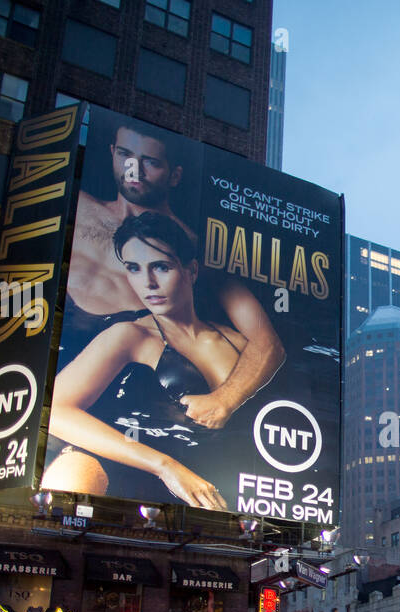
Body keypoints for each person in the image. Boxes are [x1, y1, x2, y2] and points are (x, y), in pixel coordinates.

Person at [43, 213, 284, 508]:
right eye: (134, 268)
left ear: (191, 271)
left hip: (220, 479)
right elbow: (55, 412)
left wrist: (227, 399)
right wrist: (166, 467)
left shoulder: (237, 340)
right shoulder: (129, 335)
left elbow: (272, 348)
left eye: (161, 266)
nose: (148, 283)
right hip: (137, 468)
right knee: (66, 485)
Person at [64, 119, 285, 433]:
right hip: (51, 365)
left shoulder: (195, 253)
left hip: (119, 397)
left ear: (174, 175)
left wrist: (225, 399)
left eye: (151, 162)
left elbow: (267, 342)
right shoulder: (79, 208)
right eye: (125, 155)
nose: (134, 170)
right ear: (112, 152)